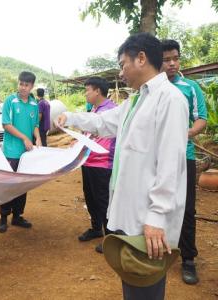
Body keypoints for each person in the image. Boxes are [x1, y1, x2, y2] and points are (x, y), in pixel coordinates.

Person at [57, 33, 189, 300]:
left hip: (148, 220)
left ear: (141, 58)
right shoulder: (135, 101)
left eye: (122, 63)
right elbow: (104, 123)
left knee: (145, 283)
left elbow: (170, 165)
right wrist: (70, 117)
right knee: (133, 282)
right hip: (129, 212)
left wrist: (157, 217)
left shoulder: (170, 100)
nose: (121, 71)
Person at [161, 39, 207, 285]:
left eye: (175, 58)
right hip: (156, 159)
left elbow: (202, 120)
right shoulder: (152, 89)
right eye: (166, 59)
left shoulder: (190, 87)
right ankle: (163, 250)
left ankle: (188, 258)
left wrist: (184, 133)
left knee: (187, 208)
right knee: (158, 205)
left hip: (183, 157)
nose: (171, 63)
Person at [0, 71, 41, 233]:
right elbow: (6, 124)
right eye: (20, 83)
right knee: (8, 185)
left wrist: (37, 138)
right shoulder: (10, 101)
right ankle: (3, 217)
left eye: (26, 85)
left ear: (32, 87)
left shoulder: (34, 104)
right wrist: (24, 138)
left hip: (27, 153)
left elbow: (35, 124)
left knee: (23, 185)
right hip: (11, 151)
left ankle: (17, 216)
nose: (22, 87)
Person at [76, 77, 116, 254]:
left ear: (98, 91)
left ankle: (110, 238)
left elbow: (110, 139)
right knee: (90, 197)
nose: (86, 93)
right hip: (88, 161)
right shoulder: (94, 109)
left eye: (87, 90)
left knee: (103, 201)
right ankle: (95, 228)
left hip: (103, 164)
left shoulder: (112, 110)